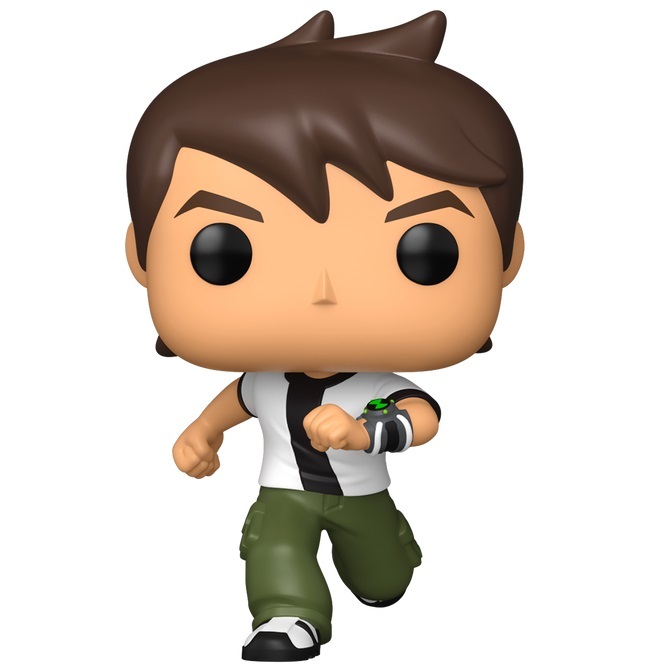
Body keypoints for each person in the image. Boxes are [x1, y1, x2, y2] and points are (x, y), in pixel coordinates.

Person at [125, 10, 524, 662]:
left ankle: (388, 562)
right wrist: (202, 431)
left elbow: (421, 417)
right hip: (283, 491)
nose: (323, 293)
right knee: (272, 545)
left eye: (425, 252)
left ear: (506, 258)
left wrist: (364, 432)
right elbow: (237, 401)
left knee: (381, 576)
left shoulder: (373, 385)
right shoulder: (265, 380)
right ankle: (288, 616)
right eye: (223, 252)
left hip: (361, 496)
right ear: (143, 258)